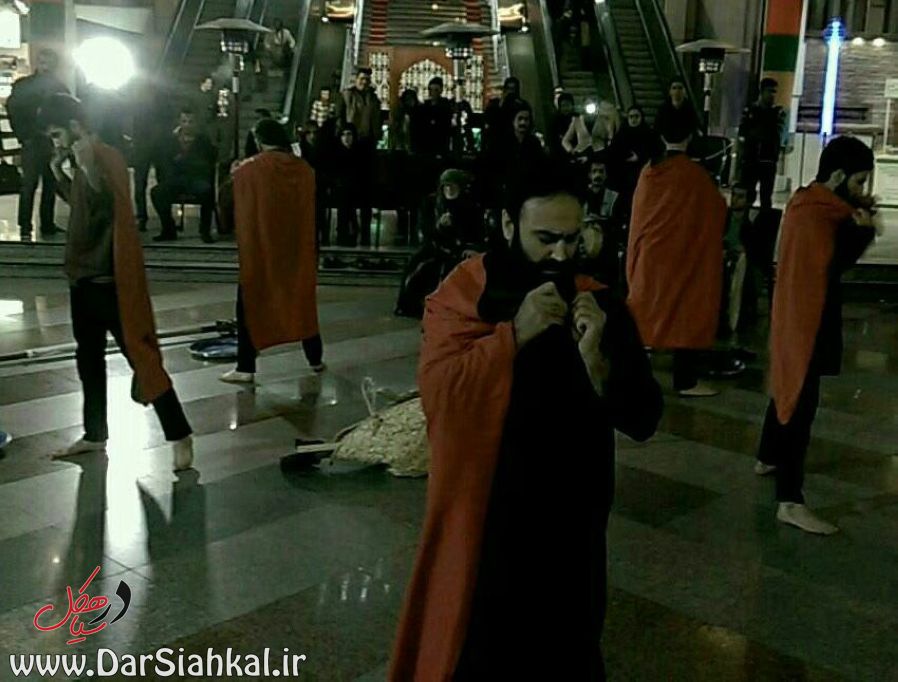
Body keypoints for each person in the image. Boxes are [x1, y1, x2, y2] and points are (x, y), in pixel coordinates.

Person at [389, 167, 662, 680]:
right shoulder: (468, 293)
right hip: (491, 515)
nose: (560, 254)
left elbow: (645, 417)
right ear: (508, 224)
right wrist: (513, 335)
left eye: (572, 239)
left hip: (574, 520)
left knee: (568, 648)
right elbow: (440, 394)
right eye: (545, 238)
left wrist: (598, 364)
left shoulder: (597, 301)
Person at [41, 94, 194, 471]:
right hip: (82, 277)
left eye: (57, 134)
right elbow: (84, 207)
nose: (56, 142)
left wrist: (85, 166)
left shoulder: (104, 156)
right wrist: (62, 172)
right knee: (88, 360)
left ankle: (179, 434)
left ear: (74, 126)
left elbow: (108, 203)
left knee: (140, 357)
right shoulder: (83, 158)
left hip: (107, 280)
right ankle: (95, 433)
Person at [756, 136, 880, 535]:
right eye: (859, 182)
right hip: (807, 322)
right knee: (800, 402)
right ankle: (790, 501)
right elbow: (830, 266)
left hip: (797, 317)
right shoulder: (818, 216)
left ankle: (767, 455)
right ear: (839, 176)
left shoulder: (808, 203)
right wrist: (861, 234)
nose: (862, 190)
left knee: (786, 388)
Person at [626, 117, 727, 397]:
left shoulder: (649, 172)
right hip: (682, 258)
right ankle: (686, 381)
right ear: (691, 136)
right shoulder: (695, 175)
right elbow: (717, 212)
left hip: (649, 257)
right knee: (687, 312)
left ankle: (634, 376)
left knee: (644, 313)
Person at [218, 119, 324, 384]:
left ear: (258, 139)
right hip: (297, 249)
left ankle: (245, 367)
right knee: (302, 303)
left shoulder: (249, 170)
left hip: (261, 249)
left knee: (249, 304)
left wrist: (232, 175)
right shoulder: (304, 169)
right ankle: (315, 358)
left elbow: (226, 202)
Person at [394, 169, 484, 318]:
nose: (449, 190)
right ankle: (406, 304)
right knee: (416, 264)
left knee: (455, 269)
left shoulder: (470, 206)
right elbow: (424, 229)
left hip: (459, 249)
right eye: (446, 186)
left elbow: (476, 232)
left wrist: (470, 247)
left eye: (453, 186)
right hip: (435, 245)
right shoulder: (431, 203)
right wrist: (439, 226)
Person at [7, 49, 69, 241]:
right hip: (35, 139)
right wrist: (24, 136)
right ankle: (28, 224)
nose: (45, 66)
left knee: (47, 183)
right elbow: (14, 111)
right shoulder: (29, 86)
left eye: (48, 63)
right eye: (43, 62)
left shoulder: (47, 86)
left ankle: (43, 223)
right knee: (31, 183)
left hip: (45, 139)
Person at [151, 118, 217, 243]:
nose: (187, 125)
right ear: (180, 122)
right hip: (176, 179)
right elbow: (165, 160)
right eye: (184, 121)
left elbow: (207, 162)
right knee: (157, 192)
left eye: (191, 122)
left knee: (207, 191)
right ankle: (168, 229)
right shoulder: (171, 140)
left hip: (196, 178)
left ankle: (205, 231)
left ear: (196, 123)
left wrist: (186, 161)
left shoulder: (203, 141)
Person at [337, 67, 382, 247]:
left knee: (366, 194)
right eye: (362, 79)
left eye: (367, 79)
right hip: (350, 144)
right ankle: (347, 230)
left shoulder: (373, 98)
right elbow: (340, 118)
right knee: (347, 192)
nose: (364, 82)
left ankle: (364, 232)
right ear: (356, 79)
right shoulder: (346, 95)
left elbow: (377, 120)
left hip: (367, 146)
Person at [739, 77, 786, 210]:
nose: (772, 95)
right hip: (751, 159)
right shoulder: (750, 110)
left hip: (768, 159)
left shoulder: (777, 113)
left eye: (774, 92)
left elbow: (777, 132)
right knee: (747, 194)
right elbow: (744, 132)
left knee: (766, 196)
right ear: (762, 91)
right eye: (770, 91)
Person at [582, 152, 626, 289]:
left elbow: (618, 224)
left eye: (601, 172)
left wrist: (601, 223)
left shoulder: (614, 197)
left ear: (606, 175)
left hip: (607, 251)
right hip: (584, 251)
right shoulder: (581, 196)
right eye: (594, 171)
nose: (598, 175)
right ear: (589, 175)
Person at [608, 105, 657, 211]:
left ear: (641, 117)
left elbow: (654, 152)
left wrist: (639, 157)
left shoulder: (648, 134)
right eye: (631, 117)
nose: (634, 119)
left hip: (642, 171)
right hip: (622, 172)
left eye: (636, 116)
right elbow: (613, 151)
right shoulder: (622, 134)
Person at [413, 77, 452, 158]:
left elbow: (445, 124)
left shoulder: (445, 105)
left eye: (436, 90)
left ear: (441, 90)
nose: (433, 93)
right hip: (426, 144)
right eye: (430, 90)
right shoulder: (425, 105)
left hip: (440, 144)